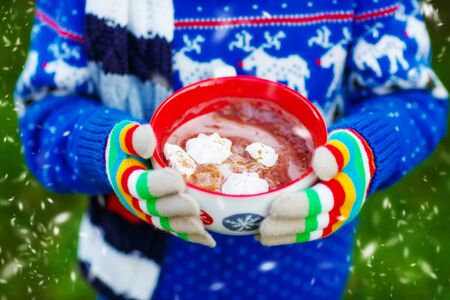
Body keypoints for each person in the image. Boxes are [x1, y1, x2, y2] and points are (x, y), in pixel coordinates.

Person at [15, 0, 448, 299]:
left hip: (303, 278)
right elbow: (44, 112)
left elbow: (414, 98)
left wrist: (365, 152)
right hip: (137, 278)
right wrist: (104, 147)